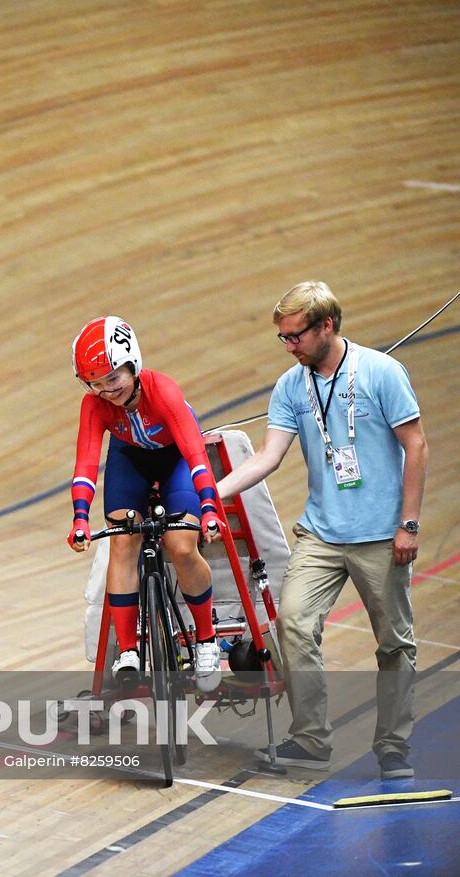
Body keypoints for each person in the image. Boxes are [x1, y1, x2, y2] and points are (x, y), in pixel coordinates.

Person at [216, 281, 427, 780]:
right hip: (322, 534)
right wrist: (211, 493)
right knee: (292, 622)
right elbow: (268, 456)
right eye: (283, 338)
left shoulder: (381, 373)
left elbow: (416, 446)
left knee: (394, 643)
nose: (289, 346)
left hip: (382, 535)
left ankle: (394, 746)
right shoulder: (293, 385)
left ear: (326, 325)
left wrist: (409, 524)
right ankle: (311, 738)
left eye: (295, 336)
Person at [67, 316, 225, 692]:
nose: (108, 391)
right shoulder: (94, 405)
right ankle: (129, 652)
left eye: (114, 378)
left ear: (133, 365)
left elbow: (195, 456)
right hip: (131, 460)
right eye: (97, 384)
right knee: (122, 541)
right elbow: (86, 464)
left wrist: (208, 507)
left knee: (180, 544)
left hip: (176, 462)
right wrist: (79, 518)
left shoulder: (163, 391)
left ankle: (206, 640)